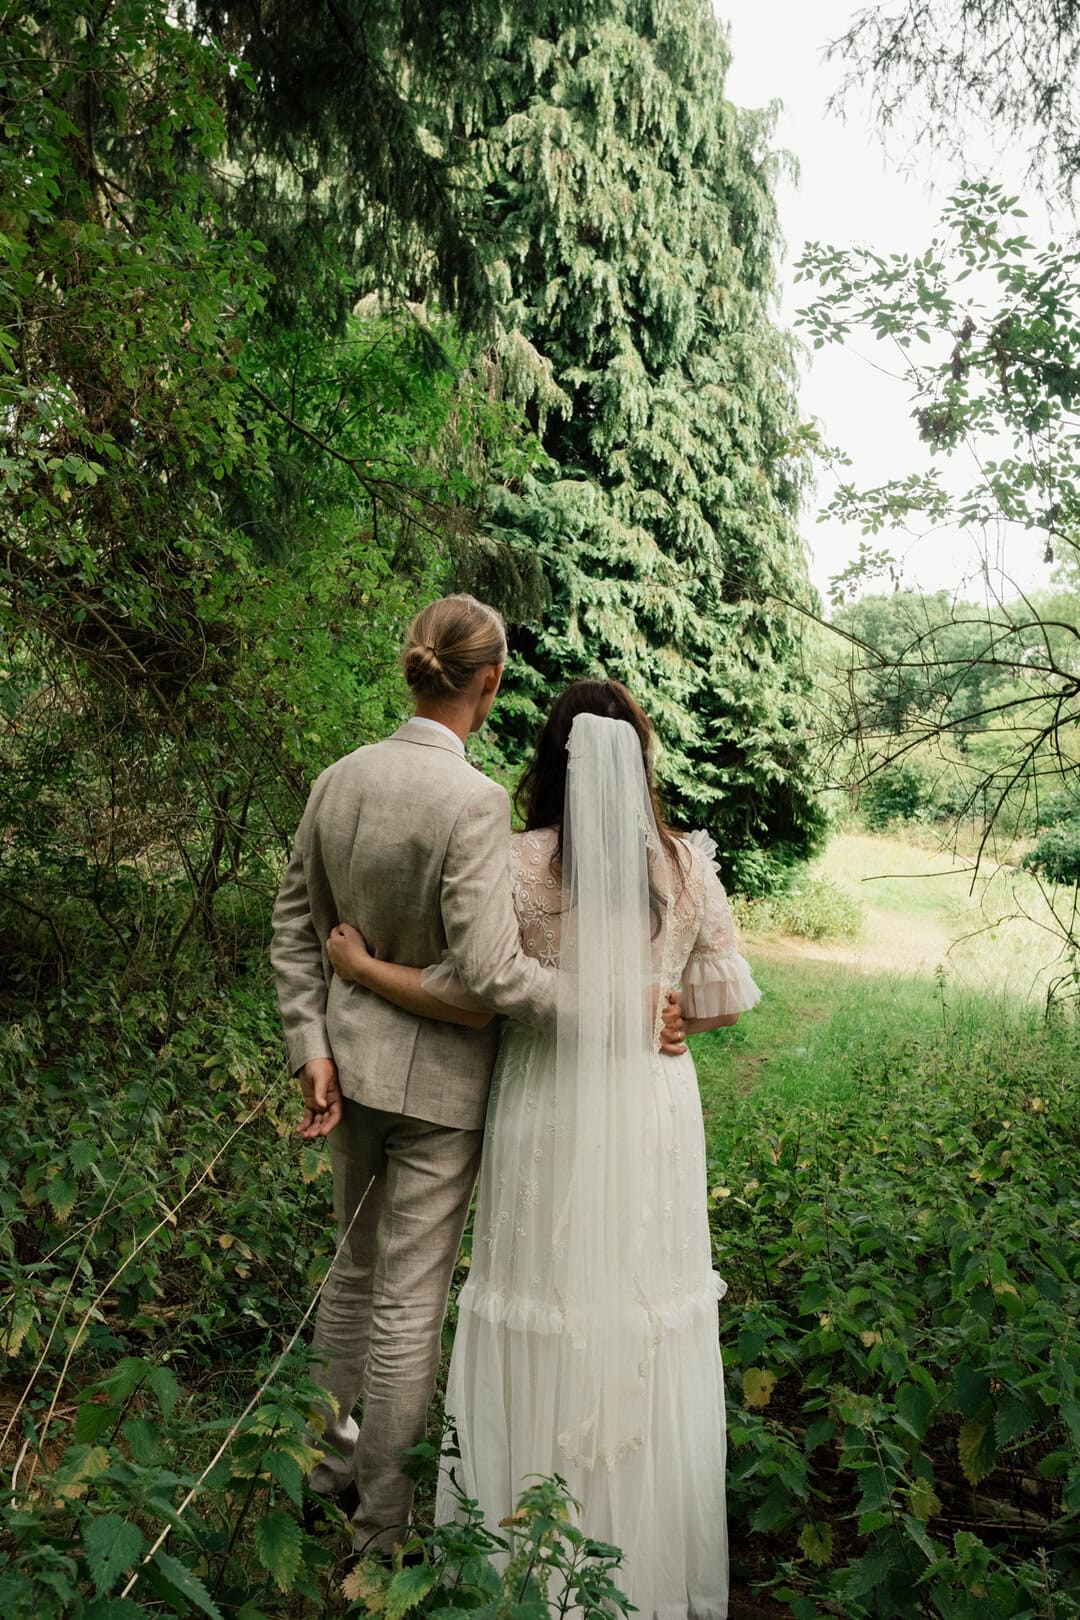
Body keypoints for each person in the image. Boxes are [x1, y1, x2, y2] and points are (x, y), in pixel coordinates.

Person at [327, 679, 761, 1619]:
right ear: (639, 760)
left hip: (545, 1101)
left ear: (550, 762)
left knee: (542, 1297)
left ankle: (512, 1551)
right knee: (643, 1300)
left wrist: (361, 968)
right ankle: (637, 1558)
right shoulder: (686, 866)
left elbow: (475, 988)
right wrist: (668, 1014)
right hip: (651, 1102)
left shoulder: (520, 863)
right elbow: (723, 1002)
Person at [270, 597, 688, 1559]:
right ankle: (381, 1523)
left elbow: (294, 928)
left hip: (348, 1073)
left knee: (351, 1274)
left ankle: (319, 1470)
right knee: (408, 1303)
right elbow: (492, 976)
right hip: (441, 1093)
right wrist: (614, 1005)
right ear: (490, 683)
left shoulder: (338, 779)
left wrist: (314, 1047)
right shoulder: (474, 803)